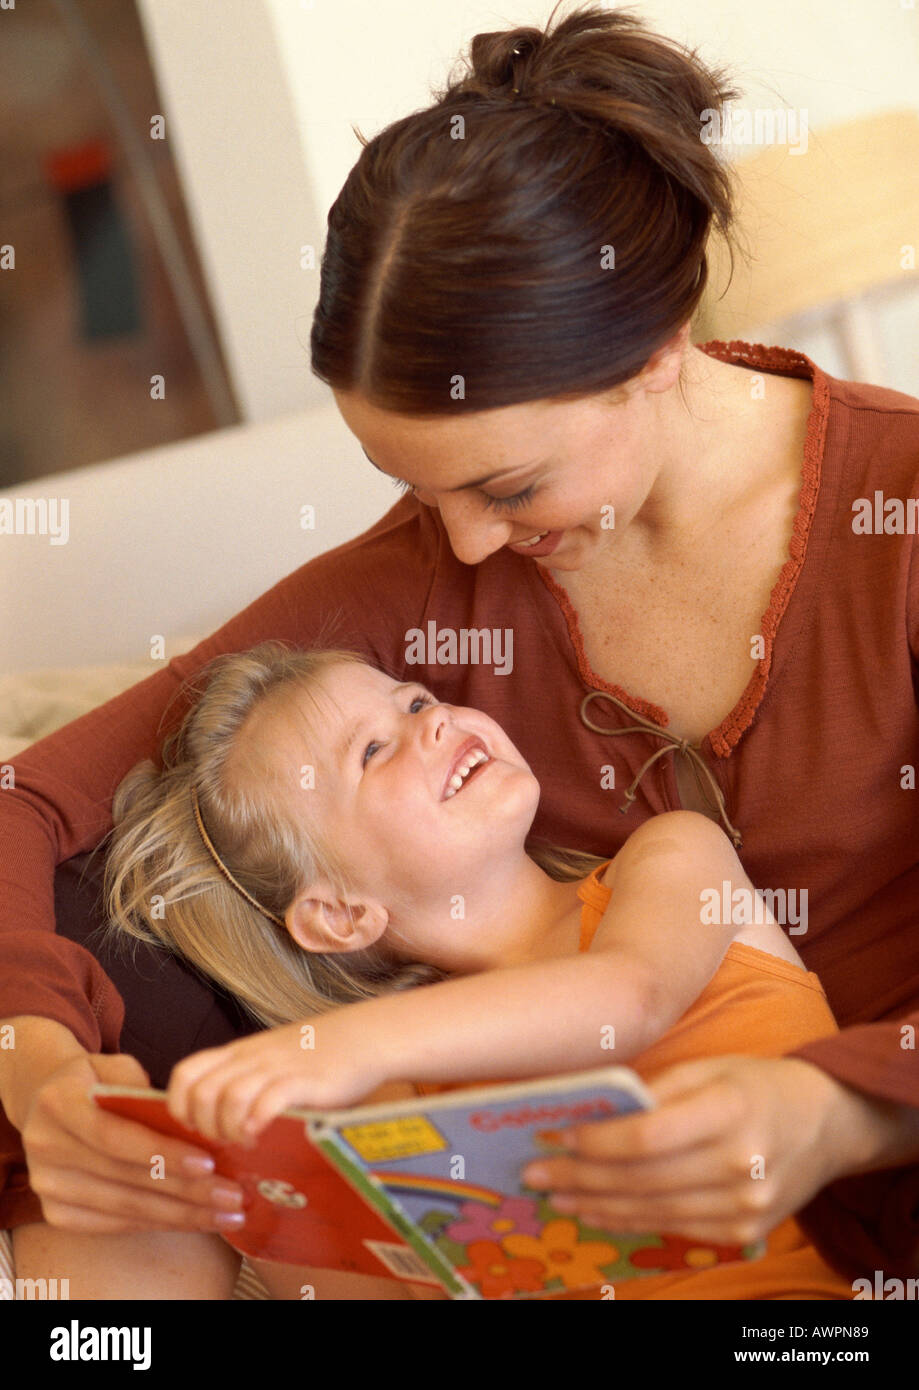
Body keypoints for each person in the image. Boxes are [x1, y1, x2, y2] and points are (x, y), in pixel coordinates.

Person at [1, 3, 917, 1295]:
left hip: (864, 1194)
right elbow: (28, 798)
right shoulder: (422, 572)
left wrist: (840, 1112)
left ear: (656, 353)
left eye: (508, 484)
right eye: (412, 489)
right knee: (123, 925)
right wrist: (33, 1062)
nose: (464, 549)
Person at [97, 640, 863, 1299]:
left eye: (414, 701)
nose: (432, 720)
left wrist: (347, 1045)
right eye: (371, 752)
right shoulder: (388, 1100)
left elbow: (626, 1001)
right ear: (340, 914)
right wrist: (263, 1204)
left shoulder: (670, 856)